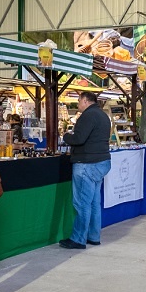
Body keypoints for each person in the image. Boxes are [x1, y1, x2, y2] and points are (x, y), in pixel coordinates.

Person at [59, 91, 112, 248]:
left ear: (85, 101)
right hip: (101, 161)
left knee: (82, 203)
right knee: (94, 202)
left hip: (86, 163)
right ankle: (93, 236)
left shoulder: (88, 116)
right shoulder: (103, 115)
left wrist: (66, 136)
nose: (78, 104)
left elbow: (78, 138)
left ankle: (78, 238)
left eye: (79, 100)